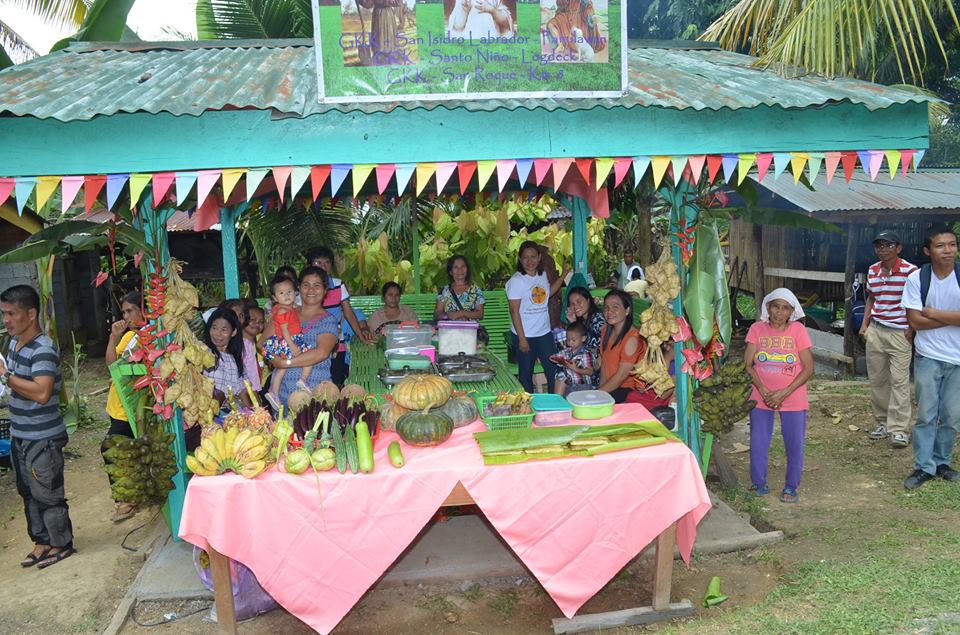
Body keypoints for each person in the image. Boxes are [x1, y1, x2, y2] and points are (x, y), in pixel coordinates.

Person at [0, 285, 76, 569]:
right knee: (27, 491)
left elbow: (42, 393)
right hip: (21, 434)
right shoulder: (15, 344)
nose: (6, 320)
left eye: (11, 313)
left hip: (43, 437)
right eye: (3, 313)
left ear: (31, 314)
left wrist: (6, 378)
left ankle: (61, 542)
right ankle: (42, 541)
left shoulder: (43, 349)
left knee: (47, 492)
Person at [901, 225, 960, 490]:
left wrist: (933, 313)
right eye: (940, 245)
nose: (947, 250)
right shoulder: (918, 279)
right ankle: (923, 466)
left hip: (957, 359)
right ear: (928, 250)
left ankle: (942, 462)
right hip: (928, 356)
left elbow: (924, 318)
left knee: (951, 415)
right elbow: (914, 320)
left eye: (952, 244)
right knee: (926, 414)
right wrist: (951, 319)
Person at [744, 288, 814, 504]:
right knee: (758, 440)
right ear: (768, 308)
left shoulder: (798, 331)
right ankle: (758, 483)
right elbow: (747, 365)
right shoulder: (757, 329)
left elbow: (808, 368)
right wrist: (764, 391)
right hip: (760, 395)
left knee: (794, 443)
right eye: (776, 306)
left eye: (785, 308)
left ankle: (791, 487)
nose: (779, 312)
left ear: (792, 312)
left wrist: (784, 392)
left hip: (792, 397)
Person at [859, 230, 917, 448]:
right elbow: (871, 298)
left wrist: (912, 328)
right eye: (879, 246)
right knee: (878, 380)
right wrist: (865, 325)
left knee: (900, 381)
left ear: (898, 248)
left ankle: (899, 429)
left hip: (899, 333)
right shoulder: (873, 270)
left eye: (888, 245)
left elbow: (916, 301)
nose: (882, 249)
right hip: (876, 330)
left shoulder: (911, 272)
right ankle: (883, 422)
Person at [260, 266, 340, 407]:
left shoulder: (328, 320)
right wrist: (274, 358)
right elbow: (261, 343)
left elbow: (321, 353)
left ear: (325, 290)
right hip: (282, 397)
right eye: (306, 285)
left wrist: (286, 363)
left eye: (317, 285)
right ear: (299, 288)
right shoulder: (285, 314)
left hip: (315, 398)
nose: (311, 290)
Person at [307, 247, 375, 386]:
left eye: (327, 262)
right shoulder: (305, 288)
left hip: (337, 346)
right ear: (310, 265)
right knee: (315, 385)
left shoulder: (338, 284)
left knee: (336, 384)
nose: (323, 266)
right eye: (318, 263)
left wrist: (362, 337)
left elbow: (348, 312)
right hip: (312, 346)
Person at [103, 291, 144, 523]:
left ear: (143, 310)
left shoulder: (151, 337)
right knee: (121, 449)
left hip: (133, 405)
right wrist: (113, 338)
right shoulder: (129, 338)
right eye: (124, 312)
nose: (125, 316)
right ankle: (127, 497)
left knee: (111, 447)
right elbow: (111, 365)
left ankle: (126, 499)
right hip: (118, 404)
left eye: (130, 311)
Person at [507, 241, 567, 393]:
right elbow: (514, 311)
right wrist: (522, 339)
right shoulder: (516, 281)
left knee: (553, 369)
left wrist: (562, 277)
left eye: (533, 256)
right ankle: (529, 408)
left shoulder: (542, 275)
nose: (529, 261)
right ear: (520, 259)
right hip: (524, 335)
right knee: (526, 374)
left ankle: (554, 404)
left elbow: (545, 295)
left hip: (543, 333)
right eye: (525, 257)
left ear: (539, 257)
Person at [596, 290, 665, 408]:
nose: (609, 311)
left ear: (627, 310)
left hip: (628, 391)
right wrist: (600, 391)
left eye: (615, 307)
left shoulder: (632, 339)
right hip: (611, 389)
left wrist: (598, 394)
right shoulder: (605, 331)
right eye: (606, 307)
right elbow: (604, 365)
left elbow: (622, 376)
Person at [262, 276, 314, 398]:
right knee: (309, 357)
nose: (286, 295)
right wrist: (292, 345)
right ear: (275, 297)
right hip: (289, 340)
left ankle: (274, 391)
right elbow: (285, 330)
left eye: (289, 292)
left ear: (295, 293)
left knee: (282, 368)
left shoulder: (285, 308)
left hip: (286, 341)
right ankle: (303, 380)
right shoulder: (283, 311)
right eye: (281, 293)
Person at [202, 308, 251, 409]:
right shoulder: (203, 352)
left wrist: (255, 413)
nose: (218, 334)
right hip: (207, 412)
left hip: (231, 417)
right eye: (214, 328)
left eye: (224, 330)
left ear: (233, 332)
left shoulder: (235, 359)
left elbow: (243, 391)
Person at [564, 286, 605, 384]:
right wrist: (572, 322)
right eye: (572, 304)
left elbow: (611, 338)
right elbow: (575, 344)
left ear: (588, 300)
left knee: (563, 374)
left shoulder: (597, 319)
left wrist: (602, 357)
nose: (575, 306)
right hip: (585, 363)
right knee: (562, 371)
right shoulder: (582, 321)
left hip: (597, 368)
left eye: (579, 302)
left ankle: (560, 398)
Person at [222, 299, 262, 394]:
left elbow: (253, 379)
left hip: (242, 396)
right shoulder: (217, 342)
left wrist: (257, 405)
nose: (238, 320)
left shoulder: (246, 345)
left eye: (241, 316)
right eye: (234, 315)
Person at [435, 255, 486, 323]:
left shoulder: (475, 290)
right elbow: (437, 314)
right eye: (456, 267)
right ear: (450, 271)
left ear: (467, 269)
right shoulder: (445, 290)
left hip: (470, 331)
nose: (460, 270)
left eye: (463, 266)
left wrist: (461, 313)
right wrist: (448, 316)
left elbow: (480, 314)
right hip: (449, 330)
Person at [552, 321, 596, 396]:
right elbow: (556, 357)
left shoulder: (585, 354)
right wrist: (555, 358)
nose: (570, 343)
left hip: (582, 386)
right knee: (560, 375)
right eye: (568, 340)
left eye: (573, 340)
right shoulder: (567, 351)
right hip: (570, 384)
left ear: (583, 338)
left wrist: (576, 369)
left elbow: (590, 371)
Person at [448, 0, 514, 38]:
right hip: (470, 38)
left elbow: (505, 24)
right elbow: (458, 26)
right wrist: (464, 11)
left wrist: (492, 10)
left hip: (491, 37)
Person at [242, 304, 268, 389]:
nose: (257, 323)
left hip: (264, 386)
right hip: (246, 388)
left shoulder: (264, 340)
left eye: (261, 321)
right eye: (252, 319)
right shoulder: (238, 344)